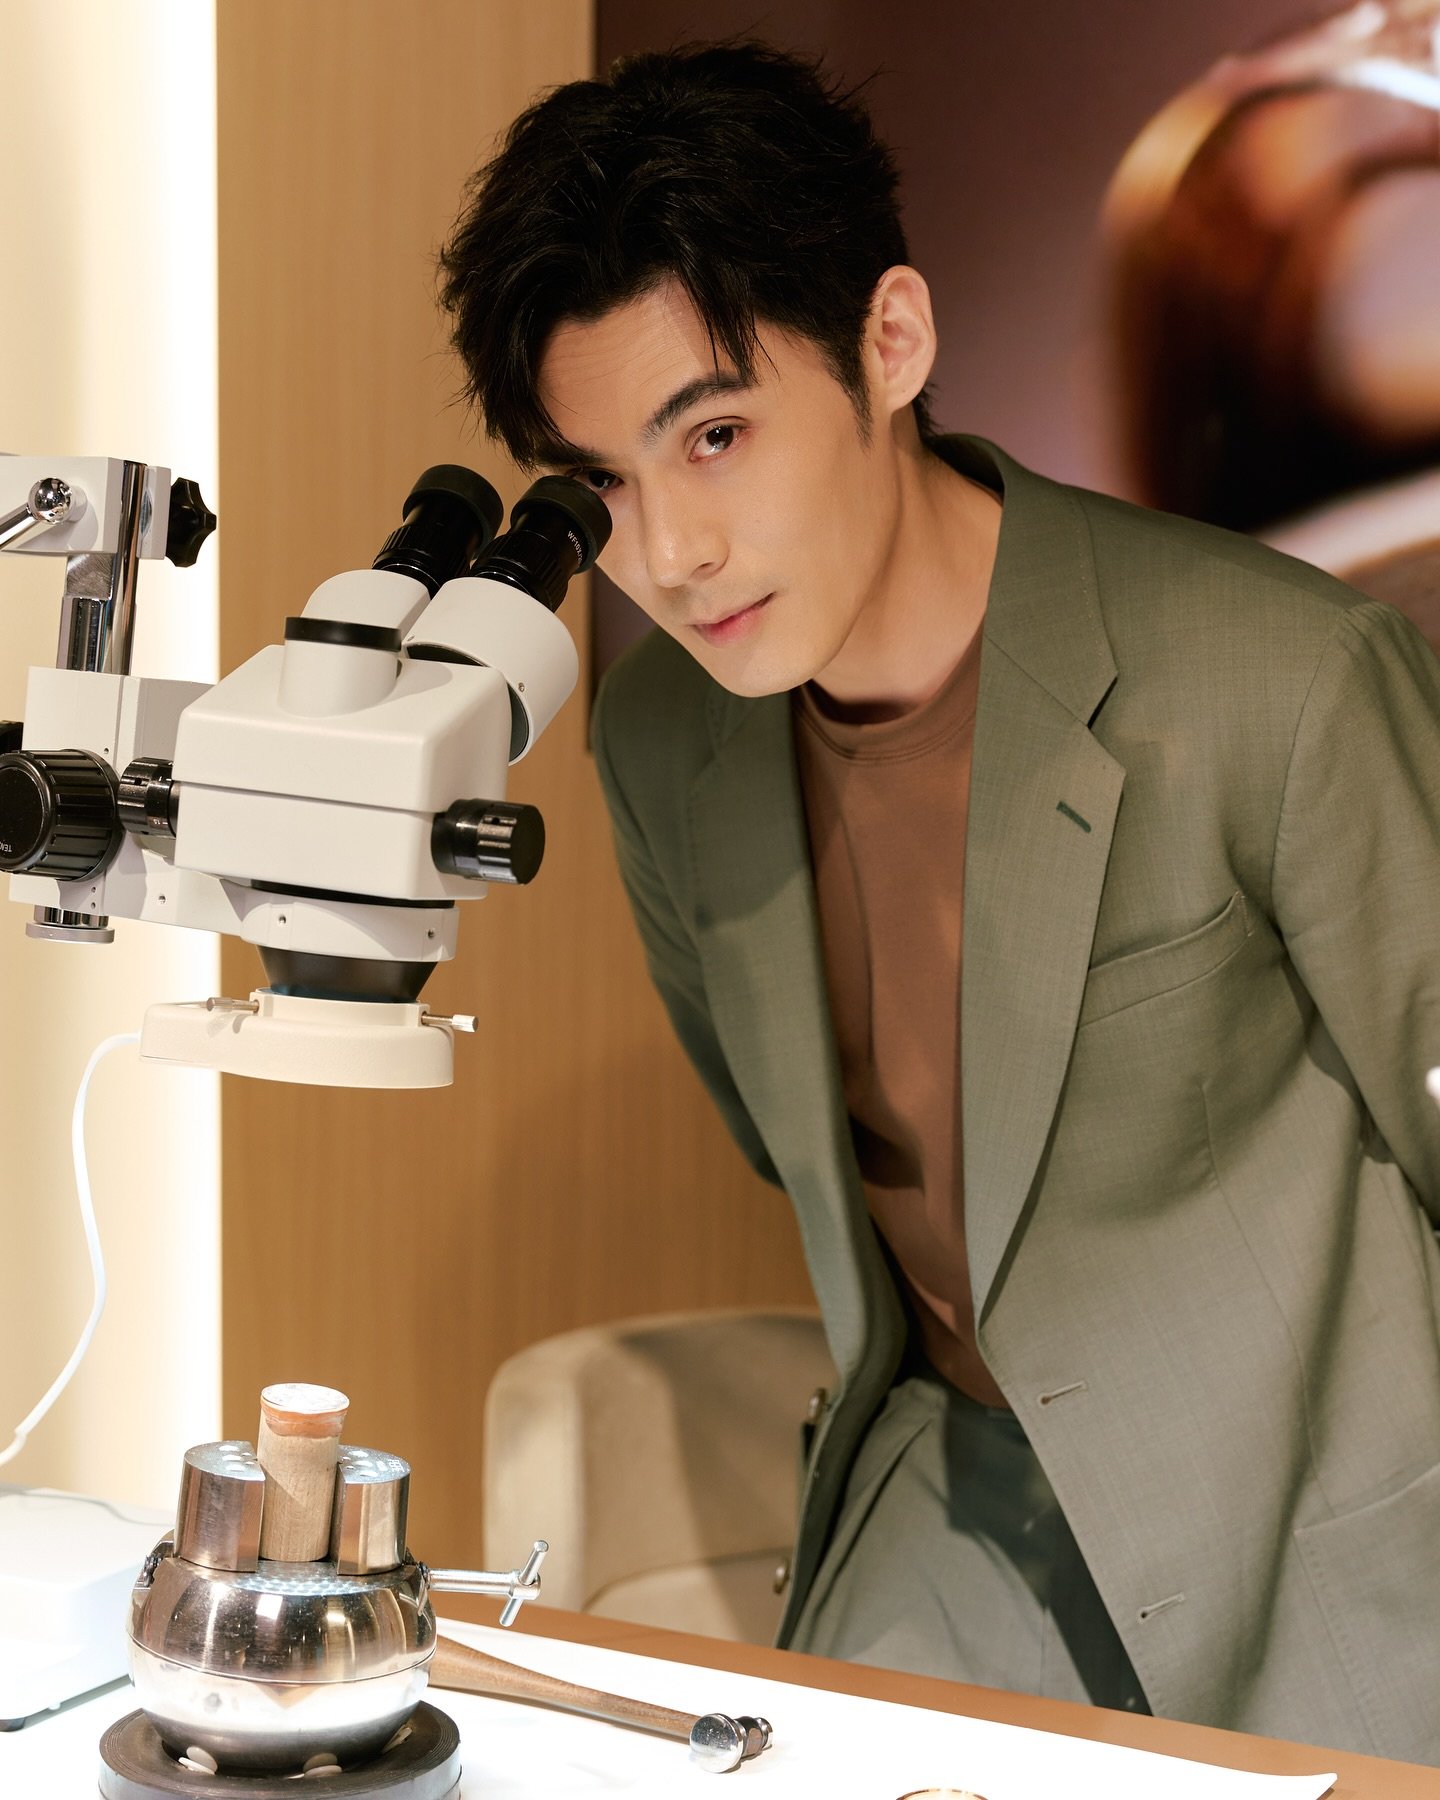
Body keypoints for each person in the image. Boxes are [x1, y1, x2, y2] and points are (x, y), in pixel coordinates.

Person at [439, 40, 1440, 1763]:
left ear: (892, 342)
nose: (669, 554)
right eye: (603, 485)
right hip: (962, 1500)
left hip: (1322, 1528)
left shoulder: (1287, 679)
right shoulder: (666, 745)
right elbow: (796, 1148)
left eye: (717, 436)